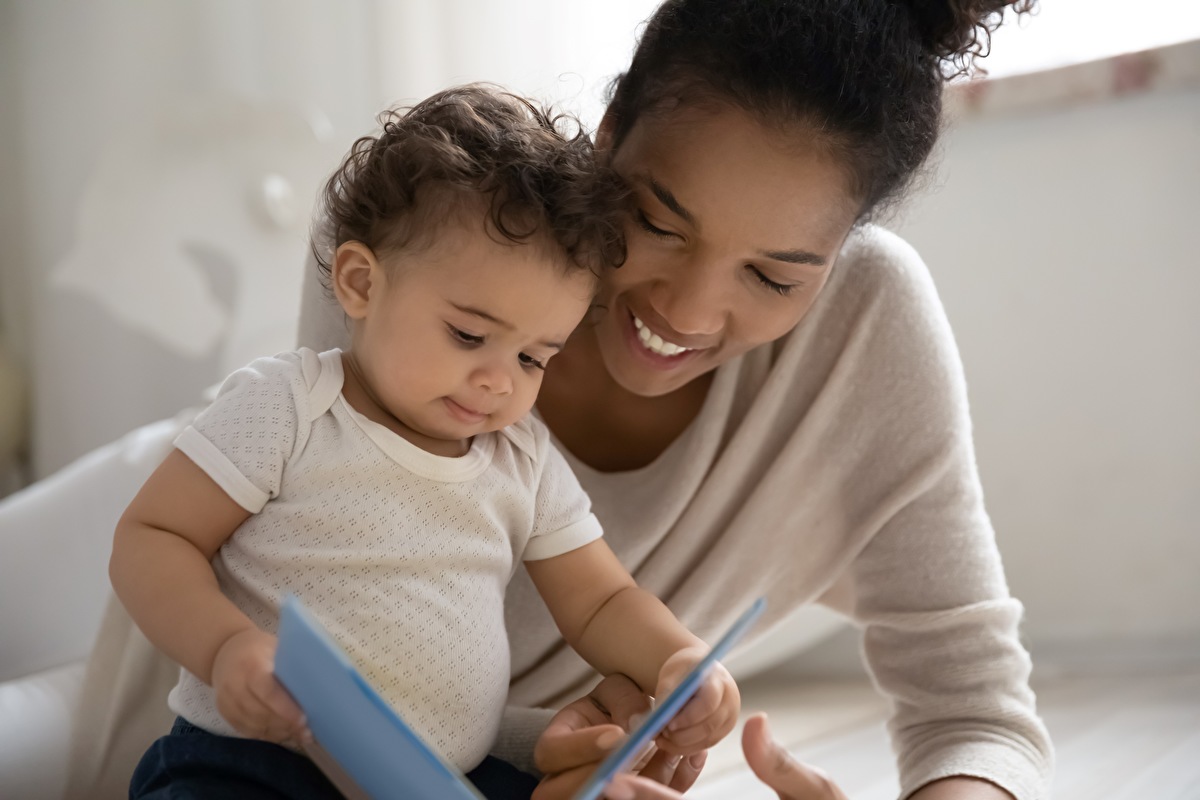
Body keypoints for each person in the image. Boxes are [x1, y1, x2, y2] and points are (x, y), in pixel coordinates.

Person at [52, 0, 1054, 798]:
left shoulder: (866, 327)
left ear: (838, 263)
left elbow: (971, 699)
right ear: (608, 134)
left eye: (776, 277)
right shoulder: (430, 228)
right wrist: (231, 647)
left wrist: (653, 692)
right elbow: (344, 581)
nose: (688, 311)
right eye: (657, 222)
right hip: (193, 567)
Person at [107, 85, 740, 800]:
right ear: (360, 283)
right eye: (469, 335)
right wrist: (224, 647)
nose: (500, 381)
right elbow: (152, 537)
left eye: (535, 357)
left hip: (444, 782)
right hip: (259, 762)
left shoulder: (521, 460)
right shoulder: (291, 407)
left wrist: (680, 662)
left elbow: (601, 603)